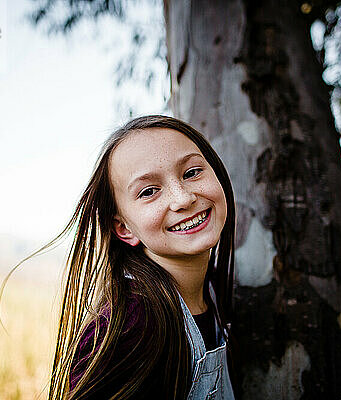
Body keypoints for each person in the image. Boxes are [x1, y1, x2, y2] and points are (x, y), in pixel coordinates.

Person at [47, 115, 237, 399]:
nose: (183, 198)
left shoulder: (211, 291)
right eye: (149, 191)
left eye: (192, 172)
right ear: (124, 228)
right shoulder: (132, 324)